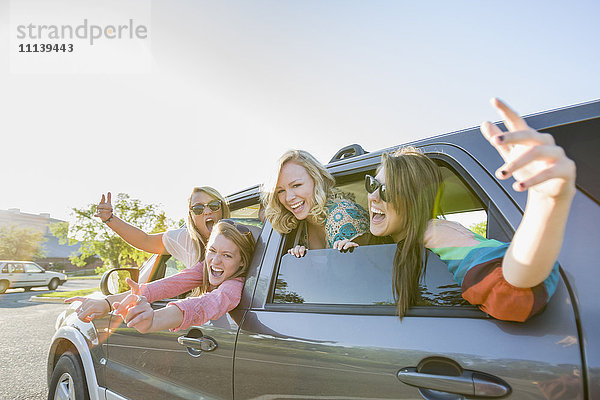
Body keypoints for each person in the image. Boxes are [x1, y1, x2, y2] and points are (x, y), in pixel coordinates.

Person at [366, 98, 575, 322]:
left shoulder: (436, 232)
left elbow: (512, 292)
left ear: (415, 202)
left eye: (387, 190)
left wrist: (546, 201)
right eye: (372, 184)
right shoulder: (380, 238)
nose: (373, 197)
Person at [67, 219, 255, 332]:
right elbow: (168, 285)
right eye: (212, 251)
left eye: (227, 255)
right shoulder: (205, 269)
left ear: (242, 262)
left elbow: (205, 304)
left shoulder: (234, 286)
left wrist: (155, 320)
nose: (215, 261)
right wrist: (108, 303)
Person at [262, 150, 369, 257]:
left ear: (317, 180)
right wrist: (301, 258)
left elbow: (357, 268)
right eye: (280, 191)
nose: (289, 198)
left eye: (296, 185)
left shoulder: (343, 215)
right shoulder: (299, 223)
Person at [95, 186, 229, 268]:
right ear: (191, 216)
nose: (207, 212)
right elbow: (144, 240)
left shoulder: (243, 236)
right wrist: (110, 219)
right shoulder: (185, 239)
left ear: (222, 208)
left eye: (213, 205)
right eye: (198, 208)